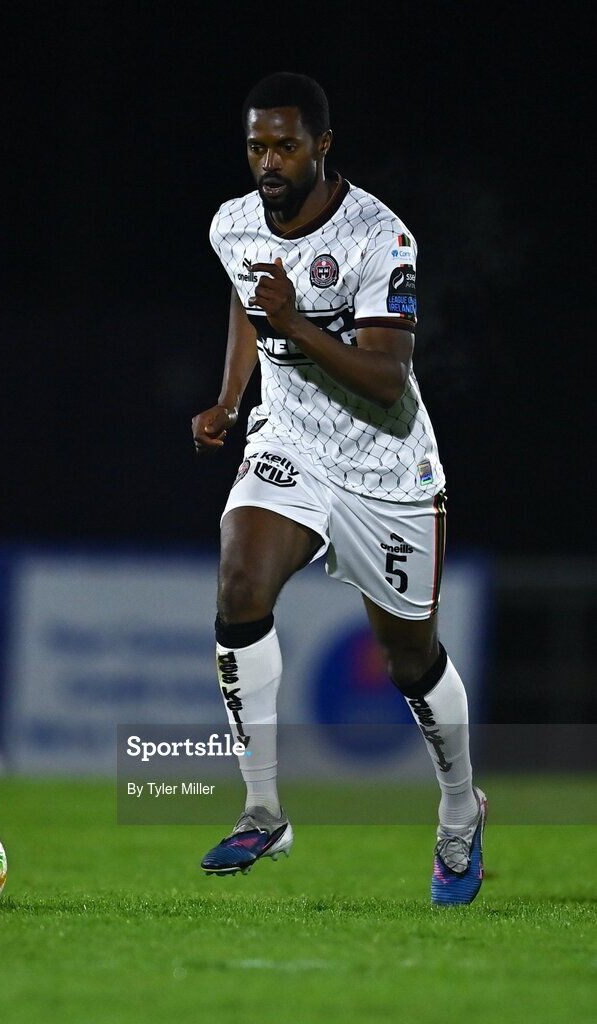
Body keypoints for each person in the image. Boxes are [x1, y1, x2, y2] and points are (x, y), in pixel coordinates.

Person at [191, 71, 485, 906]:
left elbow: (388, 379)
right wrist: (229, 398)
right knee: (240, 584)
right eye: (256, 145)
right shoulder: (233, 223)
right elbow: (244, 300)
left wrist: (292, 324)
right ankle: (261, 809)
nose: (268, 161)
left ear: (322, 147)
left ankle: (460, 810)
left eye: (286, 145)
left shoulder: (378, 239)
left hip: (383, 466)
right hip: (289, 446)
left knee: (409, 659)